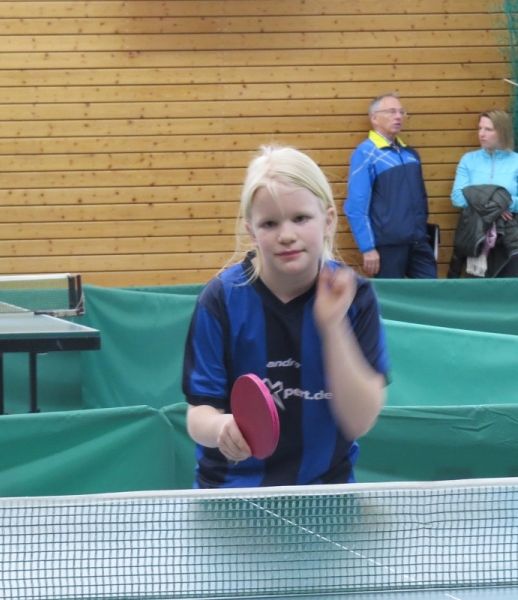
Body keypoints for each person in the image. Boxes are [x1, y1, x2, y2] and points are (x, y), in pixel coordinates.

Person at [183, 145, 390, 488]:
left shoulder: (356, 297)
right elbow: (199, 413)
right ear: (252, 232)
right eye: (270, 223)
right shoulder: (220, 299)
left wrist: (332, 326)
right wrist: (221, 428)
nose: (287, 235)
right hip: (231, 494)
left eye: (300, 218)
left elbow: (360, 421)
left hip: (326, 495)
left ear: (328, 220)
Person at [345, 93, 437, 279]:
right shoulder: (366, 154)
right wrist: (368, 248)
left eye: (401, 112)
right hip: (388, 247)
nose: (398, 117)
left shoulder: (411, 154)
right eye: (391, 112)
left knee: (433, 292)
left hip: (419, 241)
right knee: (389, 296)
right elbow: (356, 205)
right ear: (375, 118)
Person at [449, 110, 518, 278]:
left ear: (502, 132)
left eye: (488, 129)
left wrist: (497, 203)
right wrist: (497, 206)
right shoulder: (469, 160)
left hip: (508, 238)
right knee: (478, 288)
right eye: (480, 128)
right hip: (476, 235)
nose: (481, 134)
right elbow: (457, 198)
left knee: (506, 287)